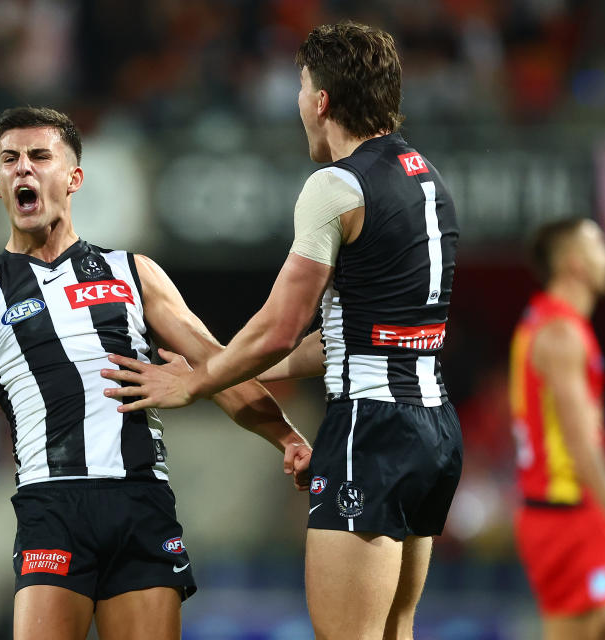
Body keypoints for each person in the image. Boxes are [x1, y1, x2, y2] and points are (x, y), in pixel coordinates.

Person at [0, 106, 307, 640]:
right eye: (10, 160)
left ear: (74, 177)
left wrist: (287, 437)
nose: (23, 169)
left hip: (140, 499)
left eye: (40, 156)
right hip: (52, 504)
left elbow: (216, 364)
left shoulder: (134, 274)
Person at [102, 22, 462, 640]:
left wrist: (198, 384)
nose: (298, 101)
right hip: (432, 429)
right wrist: (221, 369)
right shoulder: (423, 176)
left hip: (369, 432)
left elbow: (279, 325)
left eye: (301, 87)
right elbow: (338, 339)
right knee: (395, 632)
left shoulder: (335, 186)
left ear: (322, 101)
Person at [510, 218, 605, 639]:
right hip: (565, 515)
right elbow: (580, 439)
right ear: (575, 264)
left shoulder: (543, 322)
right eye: (600, 246)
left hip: (567, 514)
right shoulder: (561, 334)